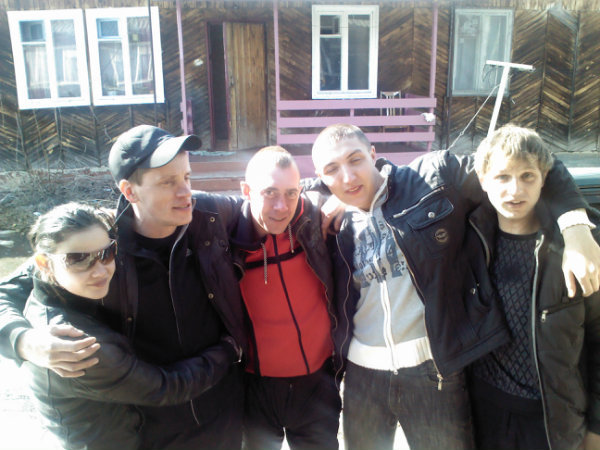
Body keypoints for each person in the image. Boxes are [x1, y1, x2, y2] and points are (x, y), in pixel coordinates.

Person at [309, 123, 600, 450]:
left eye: (356, 160)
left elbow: (531, 158)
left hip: (435, 368)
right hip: (363, 375)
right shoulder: (331, 218)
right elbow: (283, 191)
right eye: (332, 170)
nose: (348, 176)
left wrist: (575, 226)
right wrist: (330, 196)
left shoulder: (434, 176)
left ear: (373, 154)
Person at [0, 125, 247, 449]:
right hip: (152, 427)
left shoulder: (207, 214)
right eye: (168, 182)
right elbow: (11, 288)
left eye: (186, 177)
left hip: (225, 416)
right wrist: (23, 340)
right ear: (130, 192)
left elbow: (264, 200)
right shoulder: (96, 243)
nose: (185, 192)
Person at [22, 202, 241, 450]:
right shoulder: (74, 344)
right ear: (43, 263)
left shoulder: (53, 296)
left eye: (107, 253)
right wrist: (229, 349)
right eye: (78, 259)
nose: (100, 271)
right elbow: (166, 386)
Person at [467, 125, 600, 450]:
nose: (515, 190)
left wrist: (596, 427)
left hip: (553, 419)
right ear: (483, 180)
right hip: (484, 412)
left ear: (544, 179)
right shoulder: (470, 238)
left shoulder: (579, 253)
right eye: (502, 177)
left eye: (527, 176)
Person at [230, 146, 341, 450]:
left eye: (291, 193)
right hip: (256, 386)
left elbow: (364, 184)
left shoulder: (315, 220)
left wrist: (344, 199)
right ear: (246, 191)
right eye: (269, 193)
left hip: (318, 383)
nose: (281, 206)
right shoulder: (227, 238)